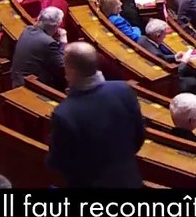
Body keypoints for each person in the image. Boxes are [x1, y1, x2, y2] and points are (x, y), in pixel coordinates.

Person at [48, 42, 145, 188]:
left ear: (70, 71)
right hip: (129, 181)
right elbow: (139, 137)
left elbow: (59, 163)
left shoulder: (64, 114)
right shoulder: (124, 90)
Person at [11, 6, 67, 89]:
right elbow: (62, 68)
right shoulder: (48, 43)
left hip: (17, 80)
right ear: (55, 26)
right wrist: (63, 42)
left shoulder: (27, 30)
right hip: (31, 87)